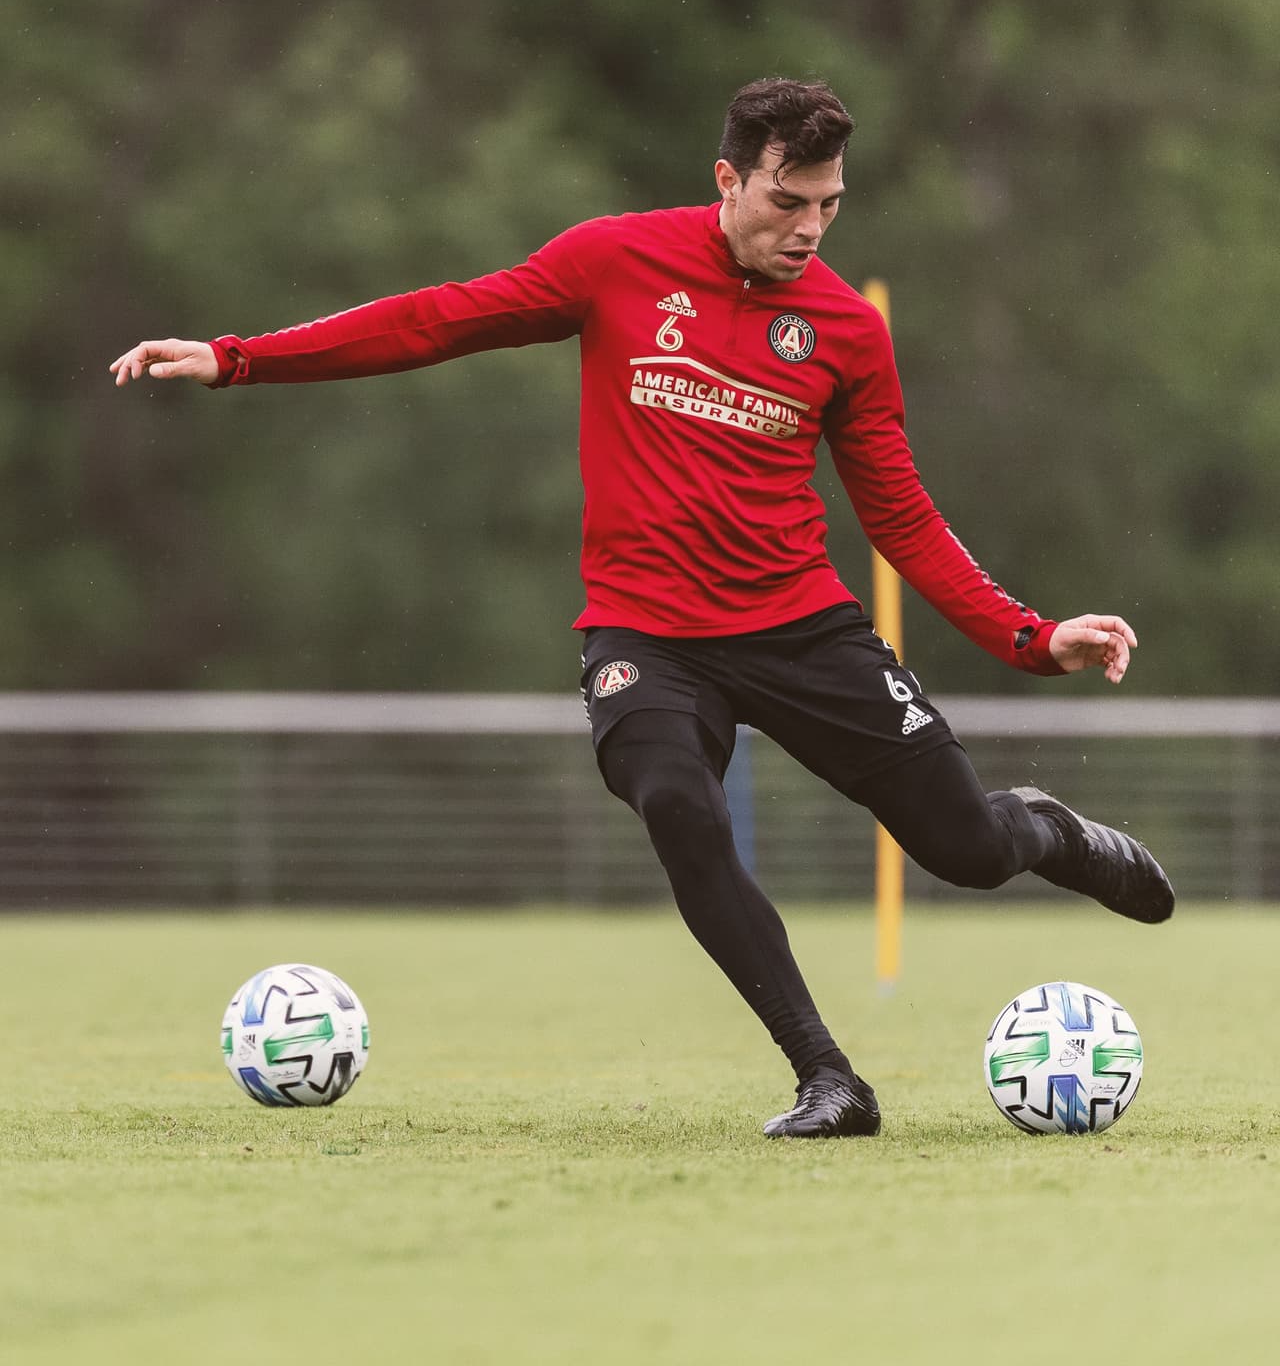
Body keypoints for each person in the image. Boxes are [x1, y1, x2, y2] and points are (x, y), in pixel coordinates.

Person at [110, 77, 1174, 1140]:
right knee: (676, 803)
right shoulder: (612, 260)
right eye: (784, 201)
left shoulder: (845, 331)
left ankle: (1047, 829)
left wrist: (1031, 638)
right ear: (726, 178)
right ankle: (827, 1077)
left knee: (970, 854)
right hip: (647, 637)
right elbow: (436, 320)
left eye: (828, 205)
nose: (808, 228)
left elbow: (899, 518)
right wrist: (238, 359)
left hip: (801, 626)